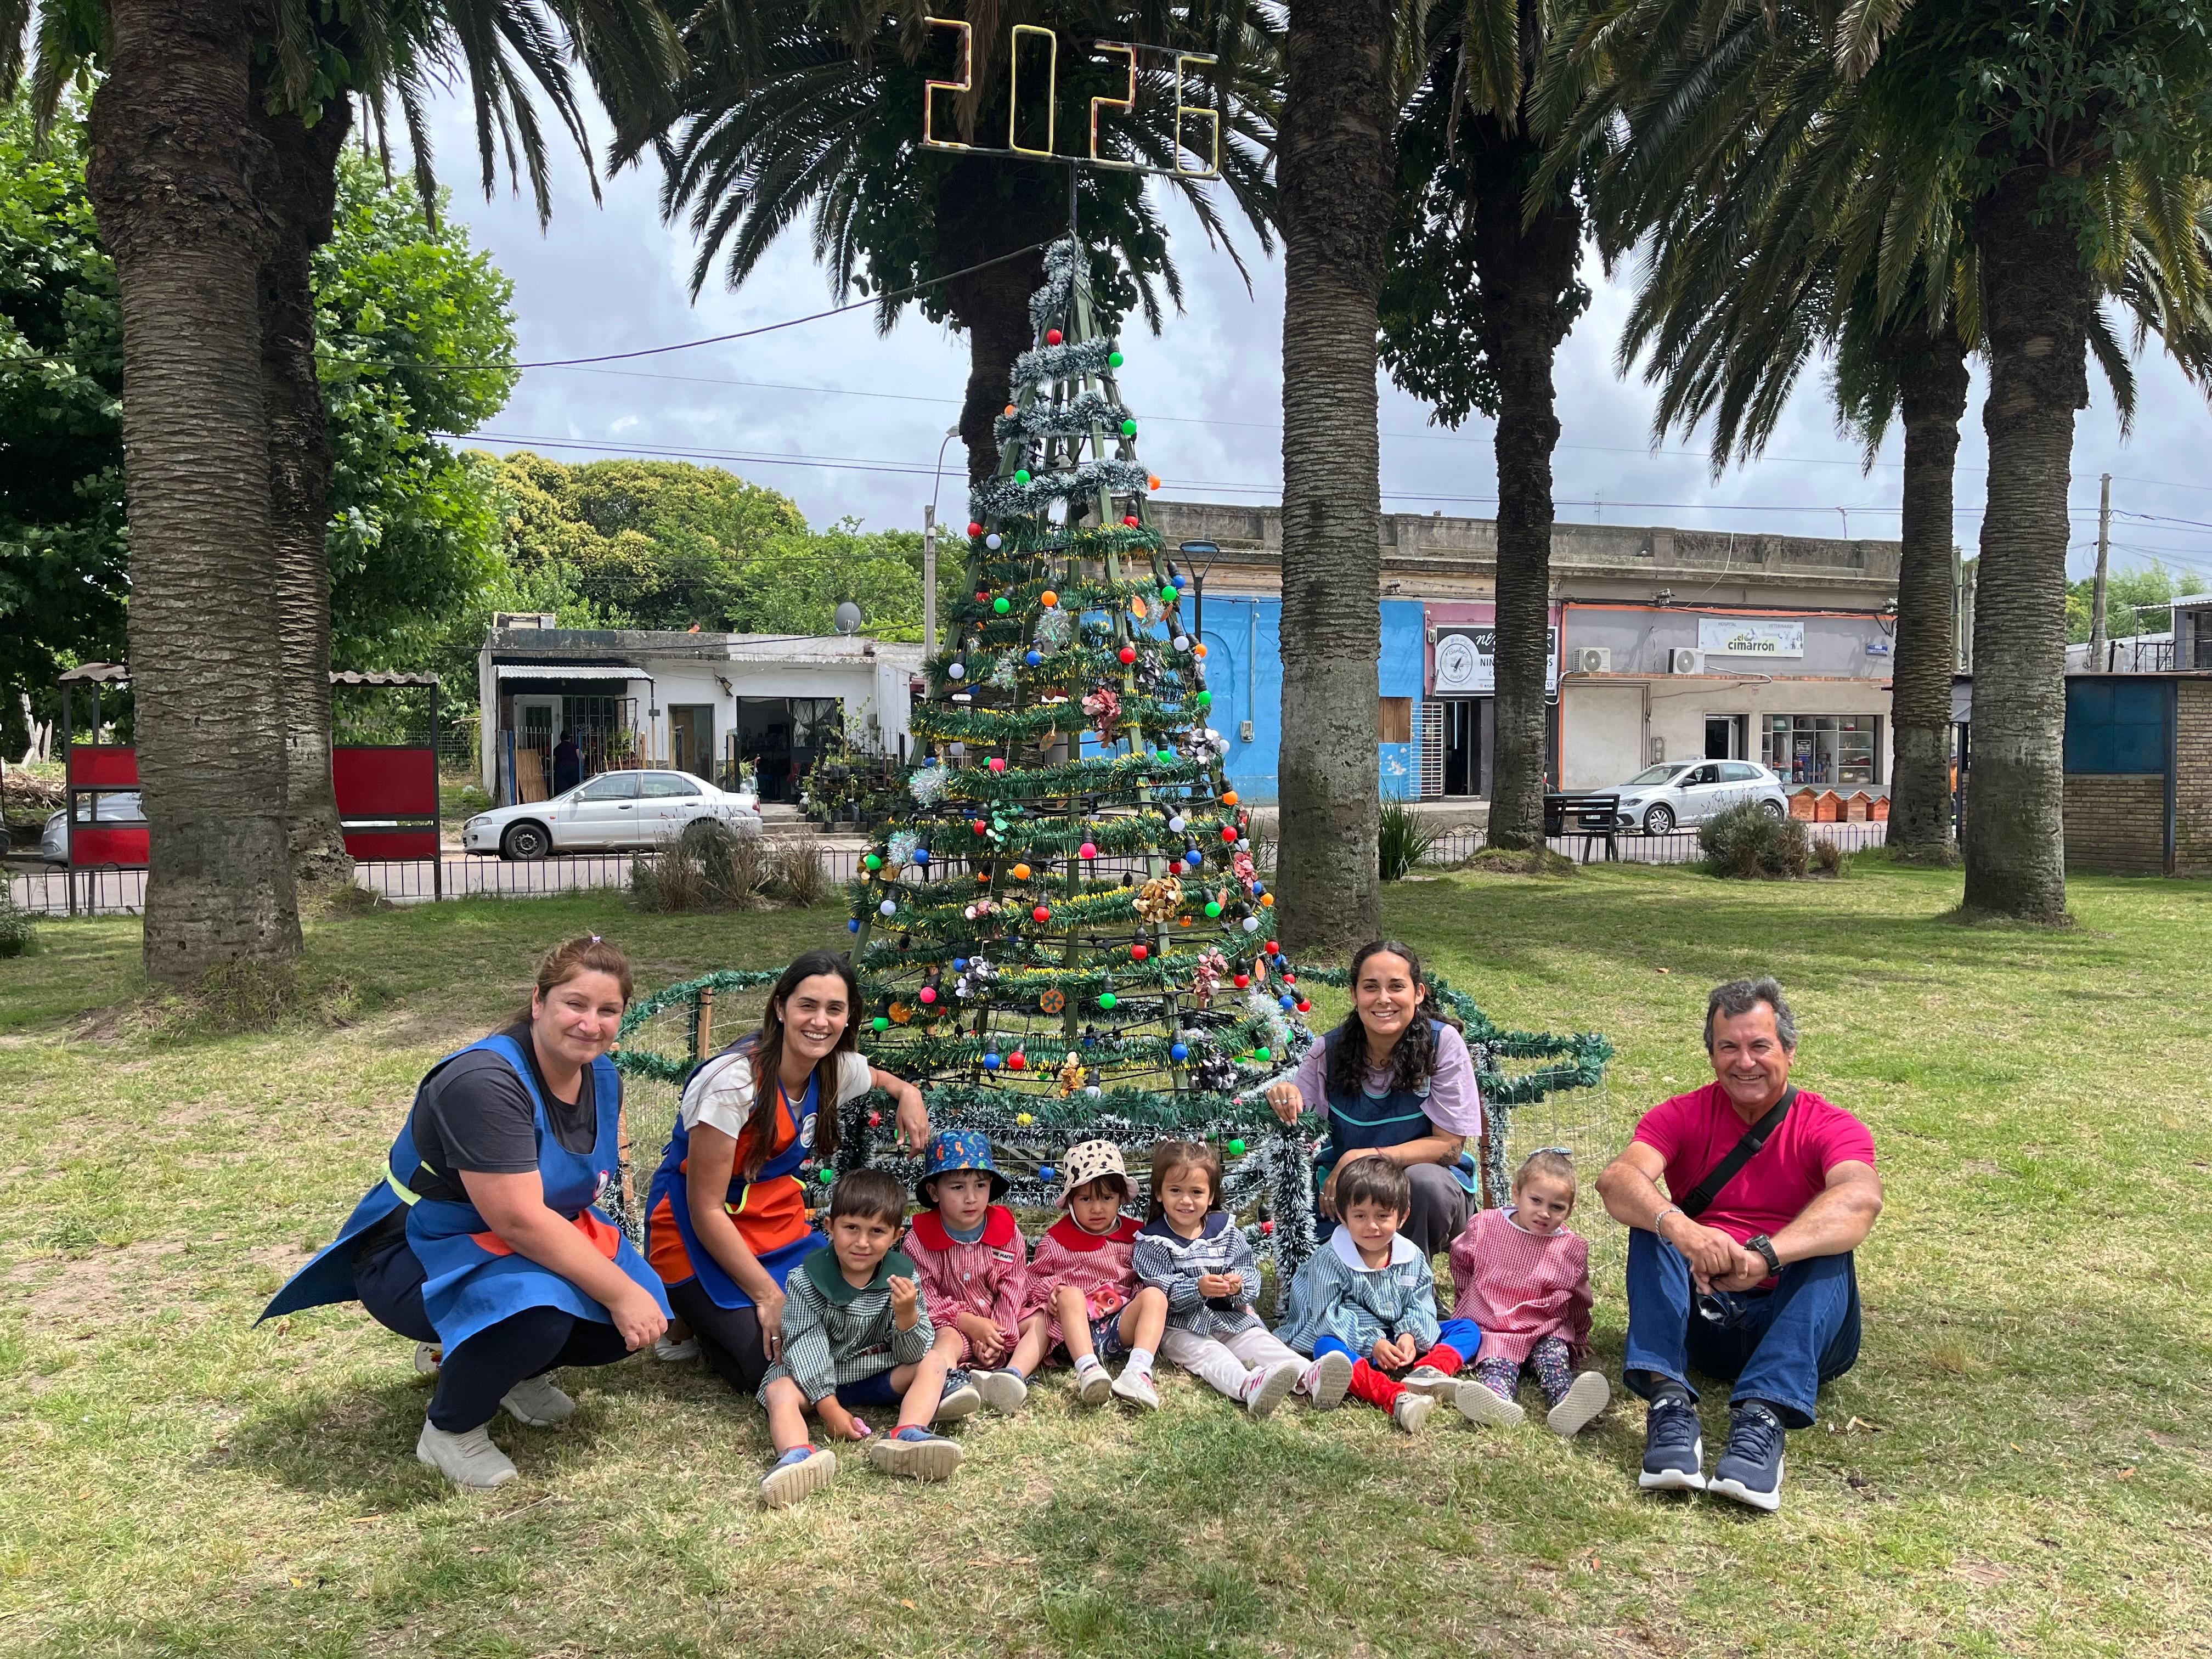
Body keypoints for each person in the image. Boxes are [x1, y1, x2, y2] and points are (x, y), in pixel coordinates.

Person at [261, 936, 671, 1491]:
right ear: (538, 1002)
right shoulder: (484, 1082)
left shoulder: (601, 1075)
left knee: (629, 1322)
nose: (590, 1024)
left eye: (608, 1011)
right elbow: (519, 1220)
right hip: (419, 1249)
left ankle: (516, 1374)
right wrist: (619, 1292)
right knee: (541, 1315)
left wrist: (627, 1291)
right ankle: (451, 1430)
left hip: (529, 1237)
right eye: (575, 1004)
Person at [1595, 976, 1882, 1513]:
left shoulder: (1829, 1125)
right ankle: (1669, 1405)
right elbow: (1618, 1181)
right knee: (1652, 1219)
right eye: (1729, 1047)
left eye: (1760, 1046)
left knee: (1831, 1245)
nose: (1744, 1061)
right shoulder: (1680, 1115)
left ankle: (1763, 1417)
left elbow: (1860, 1200)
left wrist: (1765, 1257)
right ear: (1712, 1054)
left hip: (1803, 1323)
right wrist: (1685, 1230)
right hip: (1704, 1317)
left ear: (1789, 1052)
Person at [644, 950, 928, 1400]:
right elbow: (705, 1208)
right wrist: (767, 1295)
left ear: (849, 1017)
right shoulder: (734, 1082)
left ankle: (703, 1325)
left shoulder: (835, 1067)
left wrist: (907, 1091)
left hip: (775, 1225)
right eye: (807, 1006)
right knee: (769, 1360)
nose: (820, 1021)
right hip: (694, 1231)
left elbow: (878, 1077)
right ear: (780, 1008)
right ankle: (694, 1318)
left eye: (835, 1009)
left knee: (844, 1318)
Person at [756, 1169, 974, 1506]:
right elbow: (803, 1343)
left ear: (896, 1236)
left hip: (874, 1372)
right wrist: (829, 1409)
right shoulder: (805, 1281)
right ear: (830, 1227)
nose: (862, 1242)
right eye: (851, 1228)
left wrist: (906, 1316)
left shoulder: (903, 1278)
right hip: (813, 1382)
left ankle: (909, 1433)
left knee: (933, 1361)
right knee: (778, 1391)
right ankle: (796, 1456)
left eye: (877, 1232)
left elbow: (911, 1353)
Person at [1265, 939, 1483, 1261]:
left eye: (1397, 987)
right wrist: (1284, 1095)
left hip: (1424, 1186)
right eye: (1371, 987)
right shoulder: (1328, 1052)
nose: (1384, 999)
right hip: (1349, 1188)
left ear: (1418, 993)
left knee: (1425, 1185)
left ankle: (1411, 1285)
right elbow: (1301, 1126)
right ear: (1354, 995)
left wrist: (1361, 1156)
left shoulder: (1443, 1044)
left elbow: (1450, 1147)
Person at [1274, 1157, 1486, 1434]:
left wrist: (1409, 1334)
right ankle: (1392, 1395)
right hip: (1352, 1340)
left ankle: (1427, 1372)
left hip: (1397, 1340)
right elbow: (1326, 1316)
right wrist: (1373, 1343)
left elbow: (1420, 1302)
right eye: (1360, 1216)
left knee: (1467, 1329)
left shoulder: (1411, 1256)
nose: (1371, 1227)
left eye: (1382, 1216)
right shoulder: (1330, 1259)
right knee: (1327, 1348)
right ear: (1343, 1216)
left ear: (1402, 1216)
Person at [1132, 1139, 1305, 1418]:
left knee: (1261, 1342)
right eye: (1175, 1190)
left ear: (1211, 1196)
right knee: (1210, 1355)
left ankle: (1309, 1375)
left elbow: (1250, 1273)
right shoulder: (1153, 1242)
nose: (1186, 1201)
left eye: (1196, 1192)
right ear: (1159, 1194)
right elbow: (1159, 1290)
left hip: (1230, 1318)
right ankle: (1249, 1386)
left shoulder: (1226, 1232)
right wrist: (1197, 1288)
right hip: (1181, 1328)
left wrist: (1239, 1285)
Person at [1448, 1149, 1610, 1435]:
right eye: (1535, 1200)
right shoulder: (1487, 1226)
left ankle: (1569, 1403)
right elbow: (1462, 1262)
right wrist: (1465, 1307)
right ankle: (1496, 1401)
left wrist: (1580, 1335)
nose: (1544, 1213)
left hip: (1544, 1327)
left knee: (1554, 1358)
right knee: (1497, 1362)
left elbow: (1580, 1297)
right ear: (1516, 1193)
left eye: (1557, 1207)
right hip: (1495, 1326)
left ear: (1569, 1210)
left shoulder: (1570, 1249)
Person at [904, 1131, 1050, 1414]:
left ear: (991, 1185)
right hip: (953, 1329)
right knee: (946, 1339)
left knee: (1040, 1319)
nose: (971, 1198)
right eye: (957, 1188)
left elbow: (1014, 1284)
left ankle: (1012, 1375)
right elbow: (925, 1299)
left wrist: (998, 1334)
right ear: (934, 1192)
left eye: (980, 1185)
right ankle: (950, 1382)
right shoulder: (920, 1241)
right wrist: (969, 1324)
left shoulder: (1007, 1233)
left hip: (1001, 1328)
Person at [1020, 1141, 1171, 1407]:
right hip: (1072, 1332)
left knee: (1155, 1296)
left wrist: (1139, 1296)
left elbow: (1143, 1277)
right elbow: (1031, 1282)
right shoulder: (1057, 1241)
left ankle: (1138, 1370)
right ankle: (1089, 1369)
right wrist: (1053, 1292)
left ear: (1121, 1197)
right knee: (1071, 1295)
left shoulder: (1135, 1237)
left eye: (1107, 1198)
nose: (1097, 1209)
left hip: (1118, 1327)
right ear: (1070, 1202)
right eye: (1086, 1199)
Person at [552, 730, 583, 795]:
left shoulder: (557, 749)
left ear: (561, 739)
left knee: (562, 790)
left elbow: (554, 761)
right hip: (574, 769)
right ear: (570, 738)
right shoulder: (574, 747)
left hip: (561, 770)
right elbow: (581, 757)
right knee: (574, 789)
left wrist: (556, 768)